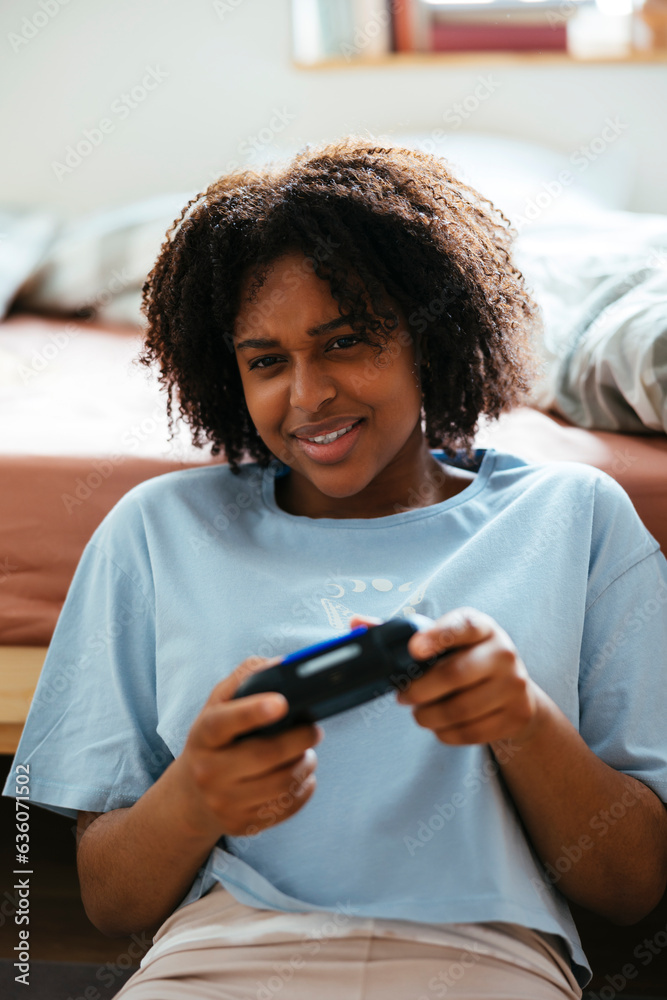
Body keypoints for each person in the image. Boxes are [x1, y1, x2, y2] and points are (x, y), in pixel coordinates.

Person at [4, 138, 667, 1000]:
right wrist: (196, 796)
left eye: (346, 341)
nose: (307, 395)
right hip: (219, 960)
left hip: (484, 961)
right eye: (266, 361)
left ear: (430, 336)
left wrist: (522, 722)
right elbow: (111, 901)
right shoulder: (155, 530)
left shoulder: (574, 515)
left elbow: (631, 889)